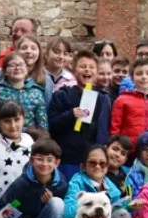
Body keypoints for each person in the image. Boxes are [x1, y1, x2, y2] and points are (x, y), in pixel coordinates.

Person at [48, 50, 112, 180]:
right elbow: (52, 125)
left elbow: (104, 129)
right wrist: (70, 114)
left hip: (93, 161)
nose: (87, 70)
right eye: (83, 66)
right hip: (68, 159)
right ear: (74, 71)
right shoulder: (62, 95)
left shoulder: (103, 99)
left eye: (91, 67)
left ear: (96, 72)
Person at [64, 145, 131, 218]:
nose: (98, 166)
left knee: (123, 215)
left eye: (102, 163)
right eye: (92, 163)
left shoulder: (112, 189)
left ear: (107, 167)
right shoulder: (76, 182)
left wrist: (131, 205)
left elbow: (118, 208)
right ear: (83, 167)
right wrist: (91, 202)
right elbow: (67, 214)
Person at [0, 101, 33, 205]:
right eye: (7, 121)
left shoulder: (31, 144)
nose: (13, 126)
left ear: (23, 118)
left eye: (17, 120)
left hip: (20, 205)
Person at [0, 52, 47, 130]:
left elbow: (42, 123)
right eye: (12, 65)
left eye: (21, 64)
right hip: (3, 138)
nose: (17, 68)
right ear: (5, 71)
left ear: (27, 69)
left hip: (30, 139)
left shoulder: (36, 93)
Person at [42, 38, 77, 104]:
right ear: (46, 55)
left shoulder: (72, 81)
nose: (61, 57)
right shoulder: (37, 76)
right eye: (57, 52)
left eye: (65, 54)